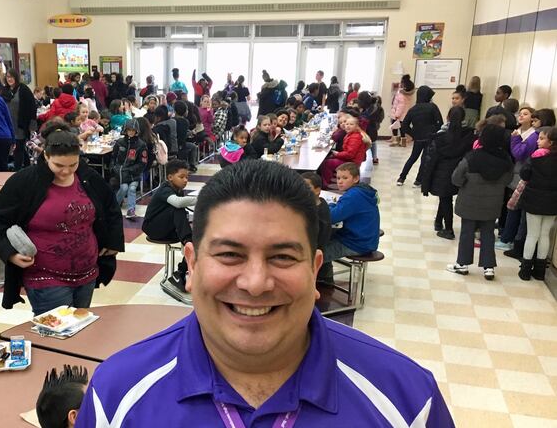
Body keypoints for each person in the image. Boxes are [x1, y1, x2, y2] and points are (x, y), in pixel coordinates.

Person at [76, 159, 453, 427]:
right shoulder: (116, 395)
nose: (255, 283)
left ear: (314, 269)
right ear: (190, 265)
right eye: (229, 254)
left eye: (283, 256)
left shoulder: (407, 402)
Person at [0, 128, 124, 313]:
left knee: (80, 330)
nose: (66, 171)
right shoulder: (25, 181)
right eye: (59, 165)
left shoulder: (87, 176)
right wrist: (10, 253)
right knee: (56, 336)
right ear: (46, 156)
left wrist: (113, 241)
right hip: (44, 276)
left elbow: (110, 207)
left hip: (87, 272)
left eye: (73, 164)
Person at [447, 125, 513, 281]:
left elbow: (456, 178)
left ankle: (462, 264)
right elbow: (508, 180)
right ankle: (488, 267)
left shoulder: (471, 157)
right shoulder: (506, 159)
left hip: (469, 202)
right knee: (488, 234)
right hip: (493, 204)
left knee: (467, 232)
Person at [420, 106, 476, 240]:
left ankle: (449, 229)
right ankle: (439, 222)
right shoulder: (469, 135)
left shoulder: (440, 136)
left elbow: (431, 158)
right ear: (464, 118)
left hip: (442, 172)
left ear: (448, 117)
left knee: (445, 199)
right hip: (460, 171)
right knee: (445, 197)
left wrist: (425, 179)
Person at [141, 159, 196, 291]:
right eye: (181, 177)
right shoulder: (165, 189)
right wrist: (201, 199)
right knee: (177, 208)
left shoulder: (178, 189)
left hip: (167, 226)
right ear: (170, 177)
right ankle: (187, 241)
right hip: (154, 228)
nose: (185, 180)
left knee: (197, 238)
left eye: (187, 177)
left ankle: (180, 273)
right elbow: (177, 203)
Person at [516, 127, 556, 280]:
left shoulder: (536, 157)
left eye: (541, 138)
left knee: (532, 235)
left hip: (534, 199)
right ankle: (540, 272)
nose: (538, 141)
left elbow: (525, 174)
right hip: (552, 202)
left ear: (550, 142)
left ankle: (525, 270)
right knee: (545, 234)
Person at [496, 107, 538, 252]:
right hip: (515, 173)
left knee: (515, 208)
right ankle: (506, 235)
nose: (521, 116)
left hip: (522, 175)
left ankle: (508, 239)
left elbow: (519, 153)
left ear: (533, 118)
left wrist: (515, 139)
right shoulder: (518, 131)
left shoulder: (532, 136)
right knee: (511, 206)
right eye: (520, 113)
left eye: (525, 114)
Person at [323, 162, 380, 263]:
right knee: (324, 237)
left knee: (317, 254)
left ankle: (325, 277)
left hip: (356, 244)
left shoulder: (353, 196)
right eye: (338, 178)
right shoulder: (362, 191)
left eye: (345, 178)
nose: (340, 182)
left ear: (356, 179)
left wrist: (327, 206)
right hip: (367, 241)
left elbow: (331, 217)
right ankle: (325, 277)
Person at [397, 85, 443, 186]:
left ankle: (401, 178)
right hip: (430, 137)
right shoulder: (432, 107)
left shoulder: (413, 109)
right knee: (424, 159)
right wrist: (435, 133)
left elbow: (404, 125)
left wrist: (413, 134)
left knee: (413, 157)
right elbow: (440, 123)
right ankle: (418, 181)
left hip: (418, 138)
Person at [111, 119, 148, 220]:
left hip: (134, 174)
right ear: (125, 130)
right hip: (121, 173)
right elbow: (113, 158)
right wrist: (114, 168)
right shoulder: (119, 143)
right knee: (124, 188)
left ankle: (131, 210)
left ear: (137, 131)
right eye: (129, 130)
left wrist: (131, 170)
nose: (131, 132)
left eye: (133, 130)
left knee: (131, 189)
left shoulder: (141, 144)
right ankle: (114, 206)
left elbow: (143, 163)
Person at [301, 172, 334, 284]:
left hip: (314, 251)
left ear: (317, 190)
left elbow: (318, 239)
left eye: (306, 187)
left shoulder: (316, 212)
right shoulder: (321, 203)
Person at [2, 68, 37, 170]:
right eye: (8, 77)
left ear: (16, 77)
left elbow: (32, 107)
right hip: (8, 124)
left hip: (20, 124)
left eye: (12, 77)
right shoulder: (4, 91)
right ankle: (28, 166)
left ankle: (17, 171)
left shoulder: (24, 89)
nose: (10, 79)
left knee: (19, 147)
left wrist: (32, 125)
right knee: (19, 148)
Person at [319, 116, 368, 187]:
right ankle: (330, 181)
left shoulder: (355, 137)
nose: (348, 126)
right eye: (347, 124)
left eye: (351, 124)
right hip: (350, 159)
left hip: (352, 162)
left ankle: (326, 184)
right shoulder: (351, 134)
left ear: (357, 126)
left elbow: (349, 154)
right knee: (328, 159)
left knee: (327, 163)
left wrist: (337, 154)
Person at [357, 91, 384, 165]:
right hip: (372, 126)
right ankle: (374, 158)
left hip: (372, 127)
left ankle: (371, 157)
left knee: (371, 141)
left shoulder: (374, 108)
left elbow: (366, 117)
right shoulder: (371, 106)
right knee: (373, 141)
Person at [389, 74, 416, 147]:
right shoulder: (408, 93)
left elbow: (400, 106)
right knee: (402, 128)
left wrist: (396, 115)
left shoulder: (401, 94)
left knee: (395, 127)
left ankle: (395, 141)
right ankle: (402, 142)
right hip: (405, 113)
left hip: (398, 114)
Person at [173, 101, 198, 171]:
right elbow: (183, 135)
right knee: (193, 147)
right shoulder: (185, 121)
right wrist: (191, 133)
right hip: (181, 144)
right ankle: (192, 164)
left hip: (174, 143)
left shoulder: (172, 120)